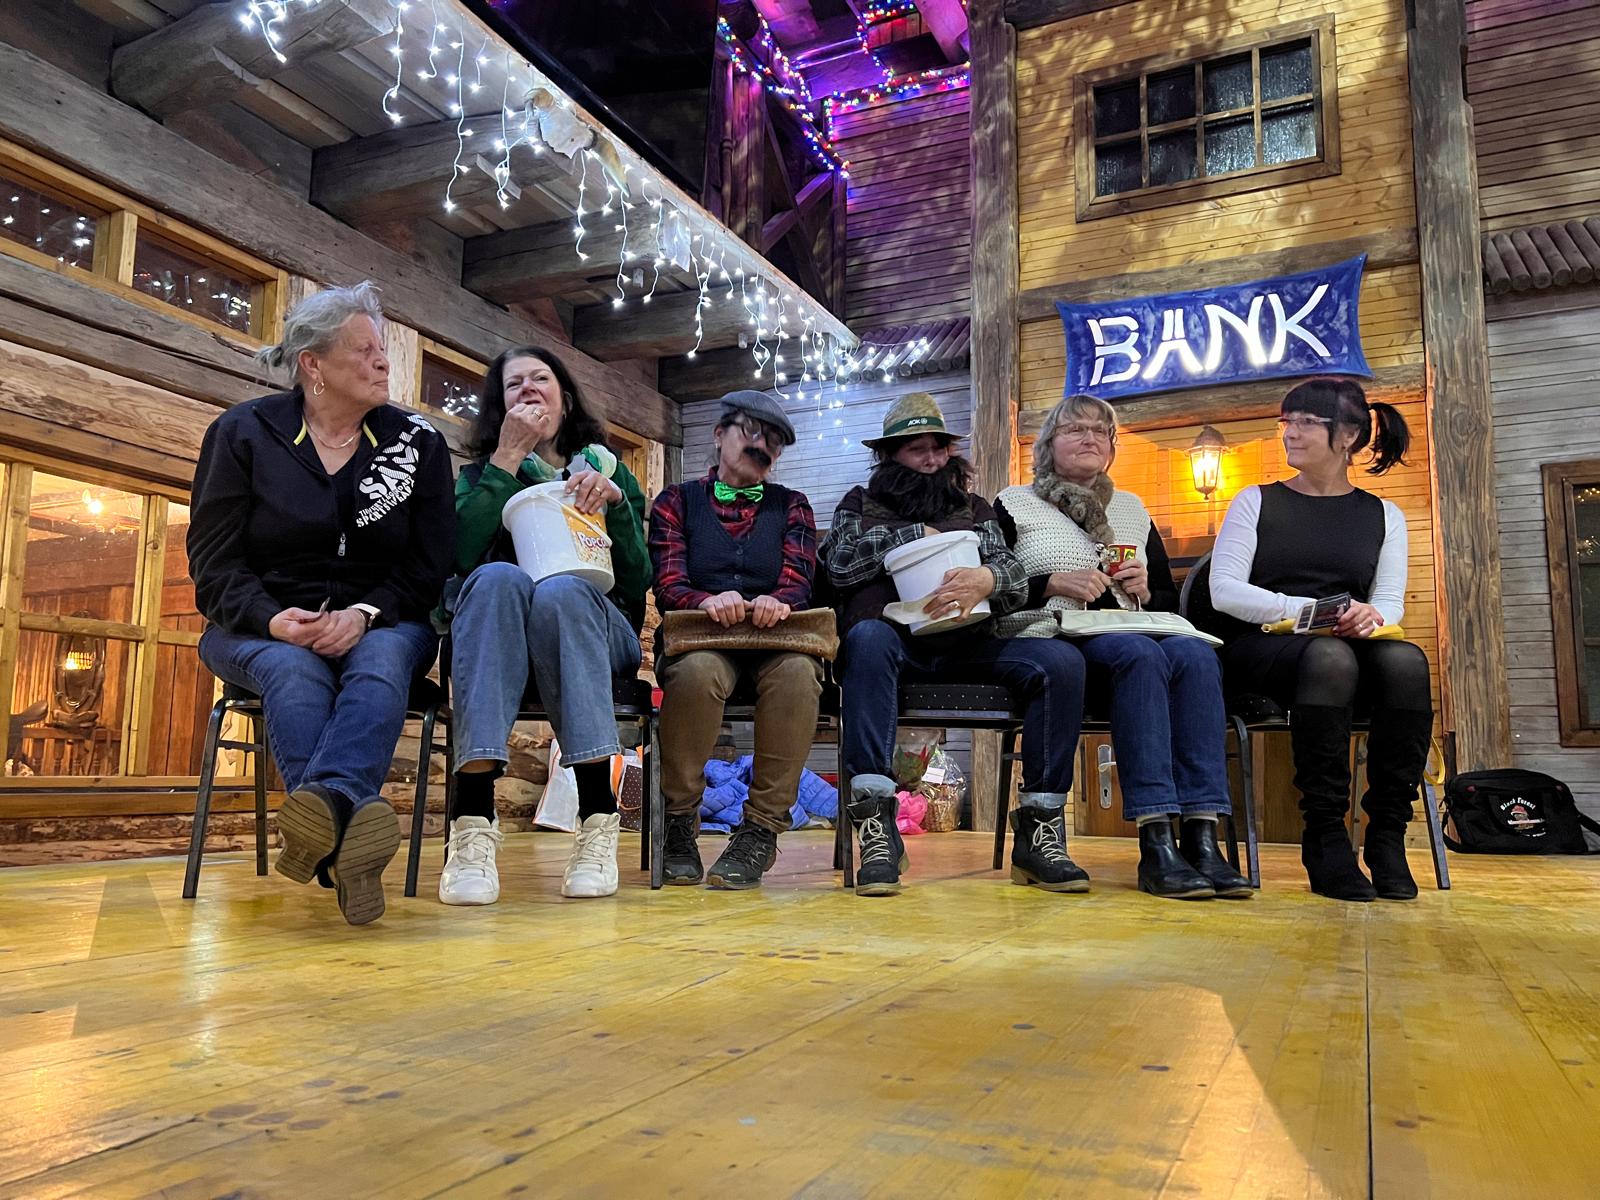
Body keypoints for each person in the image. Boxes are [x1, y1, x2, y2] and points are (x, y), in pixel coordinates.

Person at [188, 281, 454, 925]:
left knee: (381, 661)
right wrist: (271, 618)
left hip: (385, 619)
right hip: (255, 624)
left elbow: (429, 566)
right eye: (364, 351)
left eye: (381, 350)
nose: (383, 362)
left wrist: (364, 614)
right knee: (292, 667)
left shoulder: (417, 444)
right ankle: (344, 843)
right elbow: (213, 564)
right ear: (313, 364)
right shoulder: (242, 434)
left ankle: (325, 815)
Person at [821, 392, 1090, 897]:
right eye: (916, 449)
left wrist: (988, 578)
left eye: (938, 447)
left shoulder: (974, 507)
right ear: (890, 455)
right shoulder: (858, 503)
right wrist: (908, 538)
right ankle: (877, 829)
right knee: (866, 639)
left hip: (969, 643)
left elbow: (1012, 571)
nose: (930, 459)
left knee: (1059, 661)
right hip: (894, 646)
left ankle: (1040, 829)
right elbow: (837, 565)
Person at [993, 395, 1251, 901]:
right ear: (1048, 445)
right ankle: (1156, 839)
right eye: (1075, 429)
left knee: (1198, 655)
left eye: (1100, 431)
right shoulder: (1014, 502)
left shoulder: (1132, 508)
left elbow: (1167, 600)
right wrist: (1051, 582)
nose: (1089, 438)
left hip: (1131, 627)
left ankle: (1202, 835)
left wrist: (1146, 588)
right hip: (1052, 635)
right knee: (1141, 655)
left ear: (1112, 448)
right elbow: (996, 588)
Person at [1206, 377, 1429, 902]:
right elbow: (1224, 591)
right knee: (1330, 656)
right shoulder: (1255, 501)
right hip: (1265, 649)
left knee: (1406, 662)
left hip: (1344, 646)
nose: (1290, 432)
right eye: (1287, 421)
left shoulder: (1384, 515)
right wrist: (1311, 613)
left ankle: (1387, 834)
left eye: (1307, 422)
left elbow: (1389, 602)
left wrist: (1369, 617)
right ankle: (1326, 835)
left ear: (1348, 436)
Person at [441, 347, 650, 904]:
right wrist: (507, 459)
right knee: (494, 577)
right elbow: (458, 556)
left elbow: (637, 581)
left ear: (566, 399)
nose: (529, 389)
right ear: (500, 406)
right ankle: (472, 824)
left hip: (596, 631)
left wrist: (617, 508)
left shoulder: (610, 473)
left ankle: (598, 820)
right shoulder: (480, 475)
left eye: (541, 378)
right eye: (514, 384)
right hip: (500, 636)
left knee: (562, 590)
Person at [649, 391, 822, 890]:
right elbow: (669, 585)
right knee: (696, 673)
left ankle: (761, 831)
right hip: (701, 641)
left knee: (799, 674)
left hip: (775, 645)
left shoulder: (793, 505)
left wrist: (779, 601)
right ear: (719, 433)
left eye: (774, 441)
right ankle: (678, 821)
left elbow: (798, 582)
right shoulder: (675, 502)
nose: (762, 445)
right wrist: (705, 600)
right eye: (752, 431)